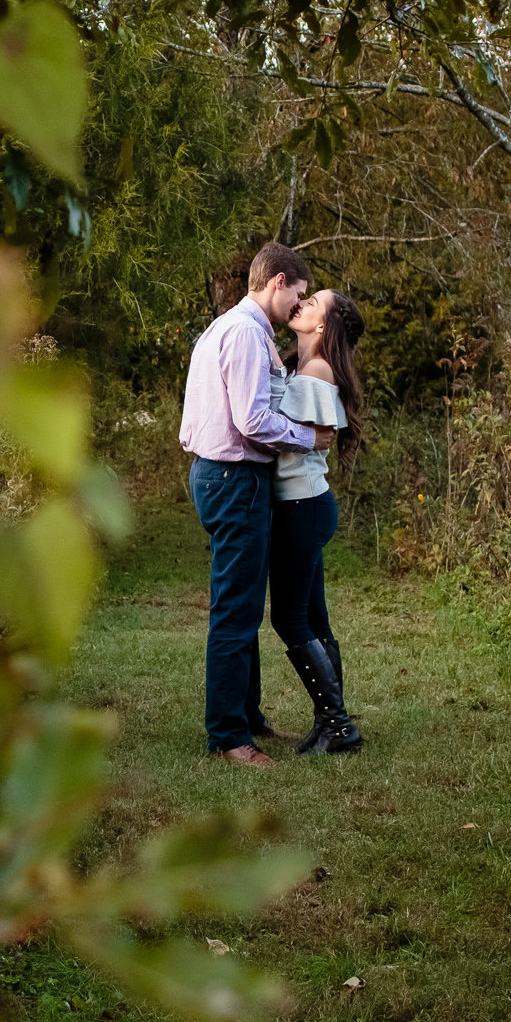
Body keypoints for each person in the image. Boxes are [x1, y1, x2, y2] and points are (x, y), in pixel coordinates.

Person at [180, 241, 329, 768]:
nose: (299, 305)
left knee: (244, 602)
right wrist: (309, 439)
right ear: (278, 281)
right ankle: (227, 736)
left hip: (224, 475)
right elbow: (251, 420)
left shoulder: (233, 327)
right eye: (298, 294)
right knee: (236, 611)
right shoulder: (244, 333)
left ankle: (248, 715)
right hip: (234, 477)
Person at [267, 288, 367, 754]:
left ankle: (339, 725)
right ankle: (331, 724)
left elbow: (274, 433)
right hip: (307, 504)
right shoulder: (304, 368)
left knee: (290, 619)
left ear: (323, 326)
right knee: (313, 619)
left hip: (301, 507)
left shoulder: (316, 371)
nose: (302, 306)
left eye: (313, 304)